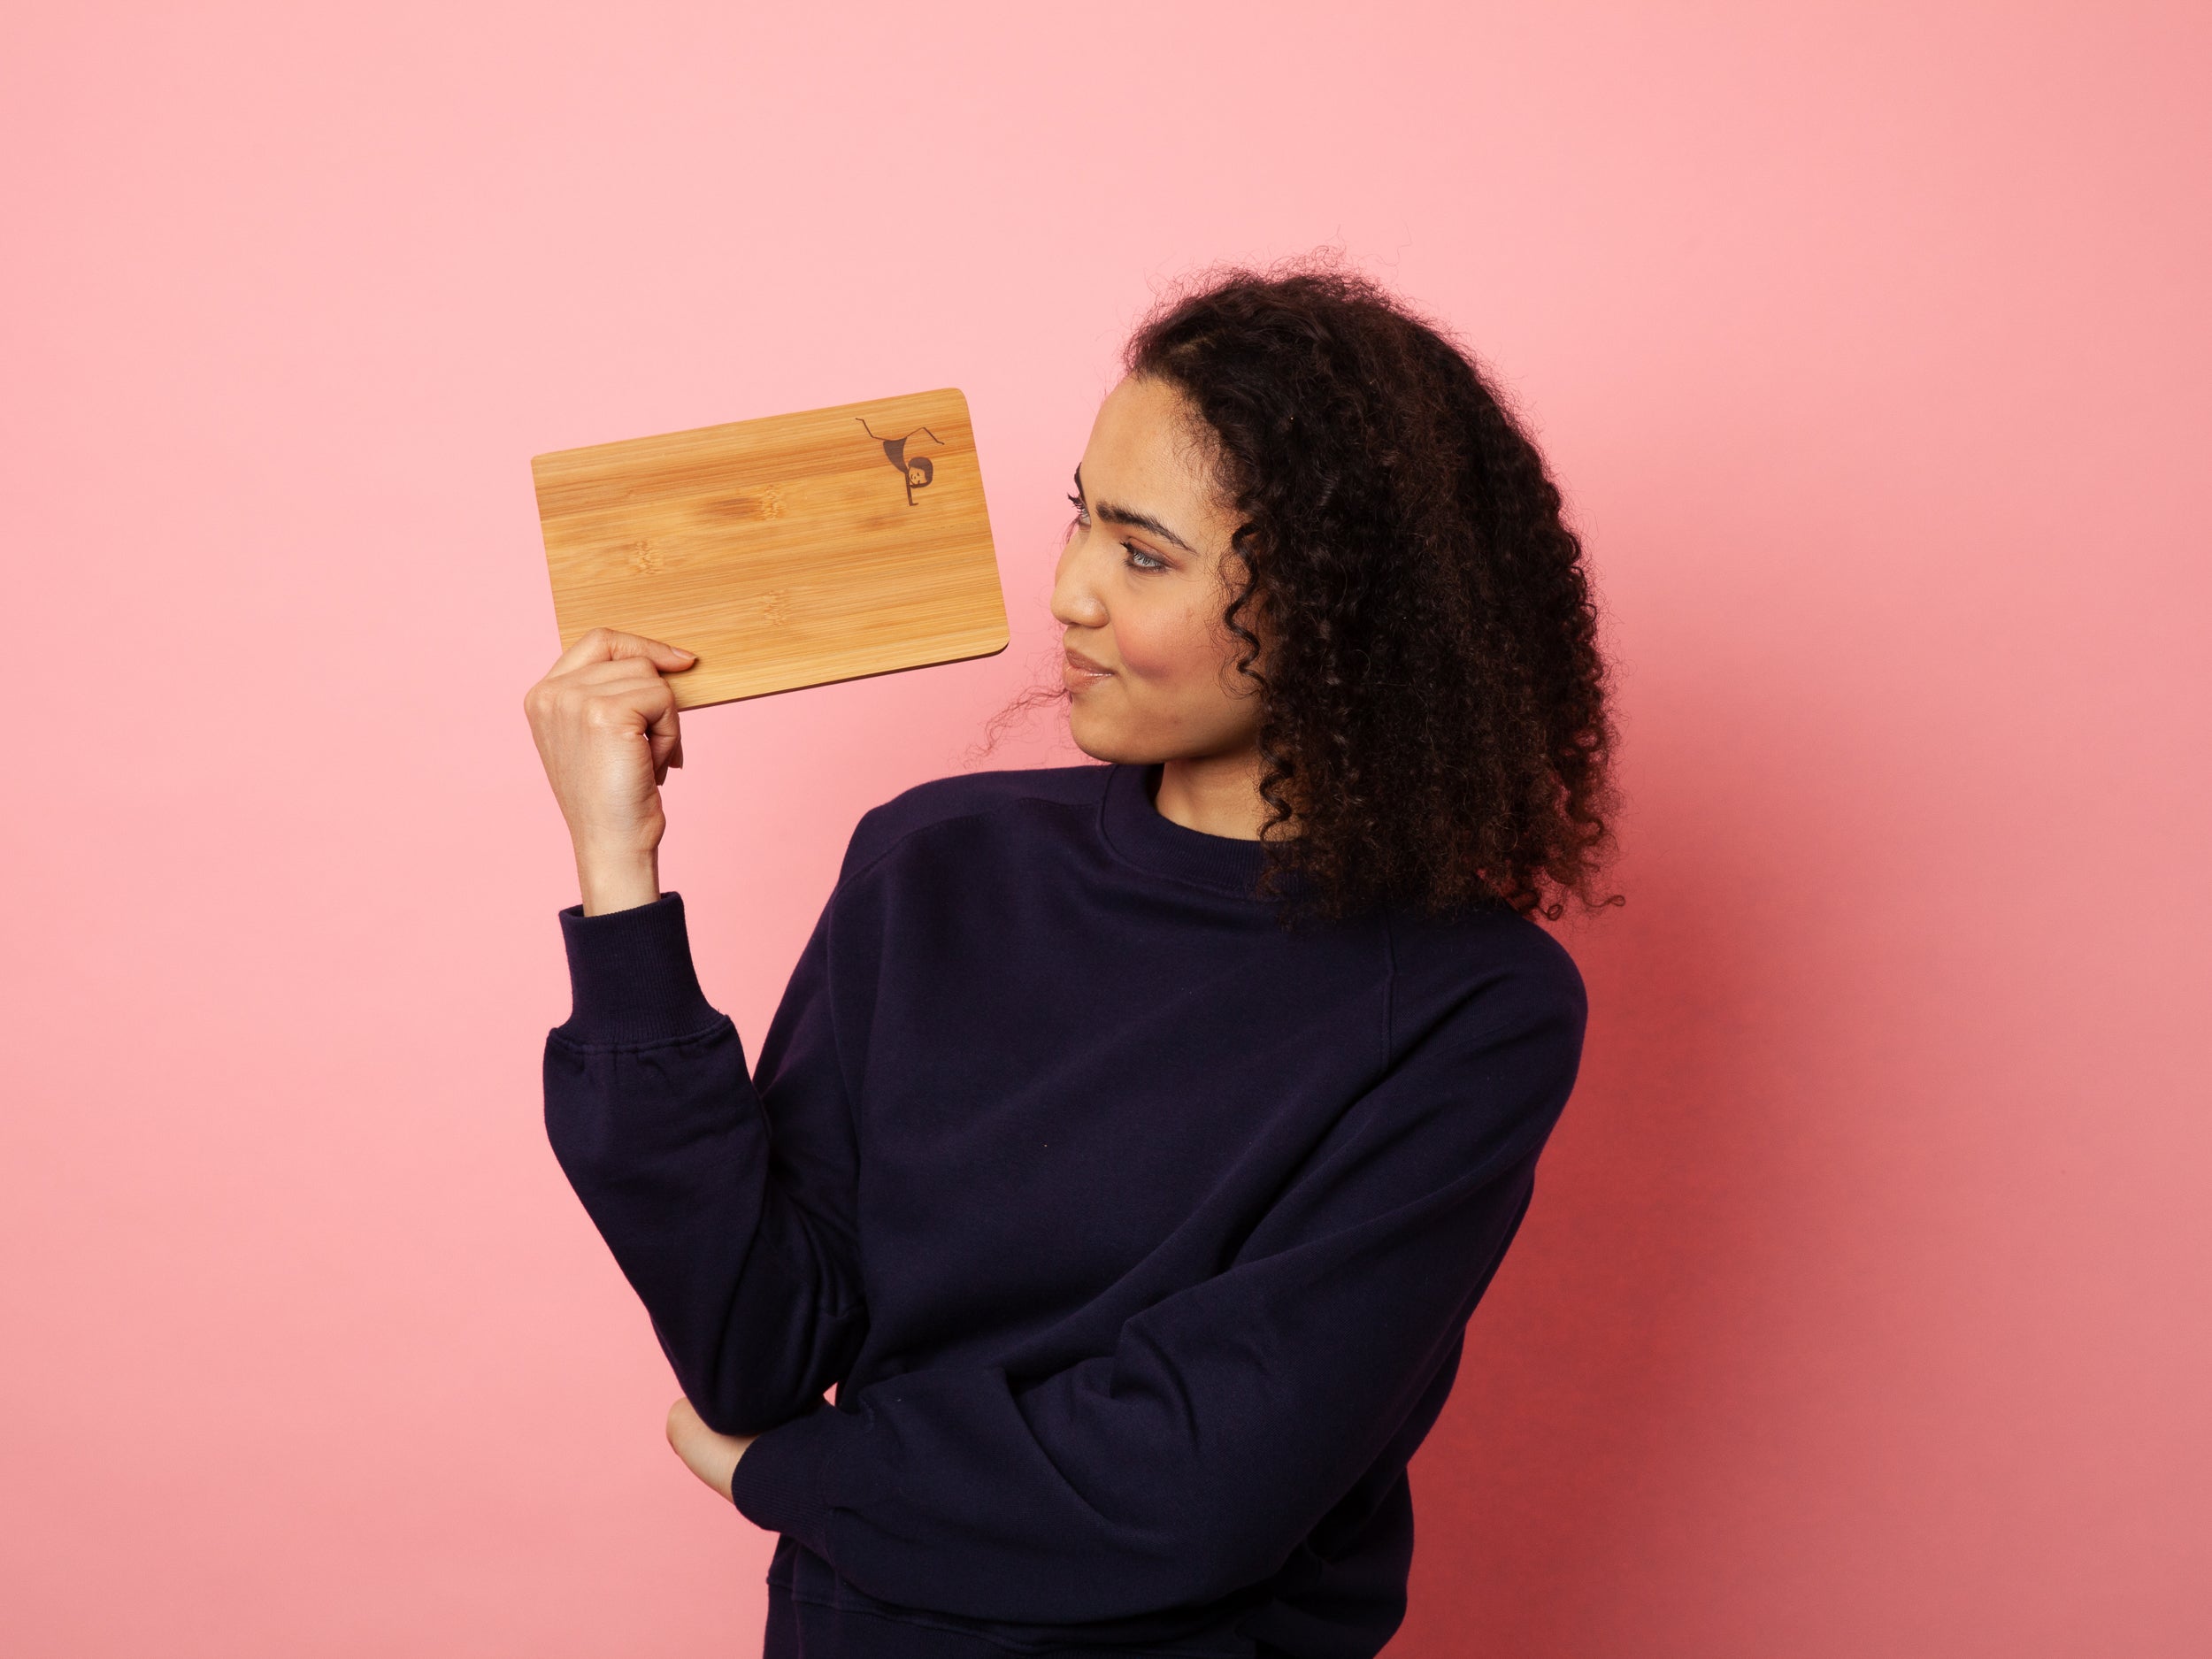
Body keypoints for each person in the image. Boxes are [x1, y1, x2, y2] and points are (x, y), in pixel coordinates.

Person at [522, 258, 1622, 1658]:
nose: (1068, 593)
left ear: (1341, 616)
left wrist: (788, 1473)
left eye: (1143, 555)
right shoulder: (933, 863)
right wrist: (620, 880)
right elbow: (759, 1341)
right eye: (1080, 523)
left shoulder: (1477, 1008)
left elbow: (1192, 1488)